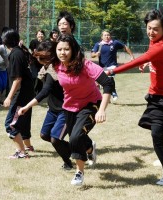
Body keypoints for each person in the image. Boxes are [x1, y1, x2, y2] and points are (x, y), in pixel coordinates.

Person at [106, 8, 163, 186]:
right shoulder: (155, 41)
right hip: (157, 97)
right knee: (156, 134)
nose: (151, 32)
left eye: (155, 29)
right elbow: (150, 56)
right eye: (149, 28)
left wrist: (113, 70)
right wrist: (148, 61)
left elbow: (139, 59)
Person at [39, 34, 114, 186]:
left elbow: (107, 83)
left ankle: (79, 172)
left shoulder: (85, 65)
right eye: (59, 49)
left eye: (66, 49)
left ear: (73, 49)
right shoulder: (56, 65)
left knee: (75, 138)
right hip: (69, 107)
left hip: (90, 104)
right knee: (77, 137)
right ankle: (89, 147)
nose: (62, 53)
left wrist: (102, 110)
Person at [18, 40, 72, 169]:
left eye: (40, 57)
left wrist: (27, 106)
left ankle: (68, 162)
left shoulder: (54, 70)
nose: (38, 59)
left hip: (66, 109)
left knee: (56, 139)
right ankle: (80, 147)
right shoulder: (46, 67)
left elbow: (44, 91)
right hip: (53, 109)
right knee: (45, 135)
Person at [3, 30, 35, 159]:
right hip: (28, 92)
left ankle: (21, 152)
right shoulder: (20, 51)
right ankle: (28, 147)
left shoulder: (15, 54)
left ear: (6, 41)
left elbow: (17, 79)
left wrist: (9, 97)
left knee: (11, 124)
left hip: (21, 94)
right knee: (24, 122)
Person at [91, 29, 135, 102]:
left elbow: (125, 47)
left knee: (109, 77)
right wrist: (96, 54)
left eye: (108, 35)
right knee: (104, 82)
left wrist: (132, 56)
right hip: (102, 67)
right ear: (102, 37)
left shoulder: (114, 43)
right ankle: (107, 97)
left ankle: (113, 92)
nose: (107, 36)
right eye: (105, 35)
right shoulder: (98, 44)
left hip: (113, 65)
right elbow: (92, 54)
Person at [29, 30, 45, 94]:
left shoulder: (45, 43)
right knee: (34, 76)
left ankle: (39, 91)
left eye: (42, 34)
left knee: (40, 77)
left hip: (42, 62)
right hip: (34, 62)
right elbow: (30, 50)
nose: (40, 35)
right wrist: (34, 54)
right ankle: (31, 91)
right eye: (39, 34)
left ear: (43, 35)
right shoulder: (33, 41)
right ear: (36, 35)